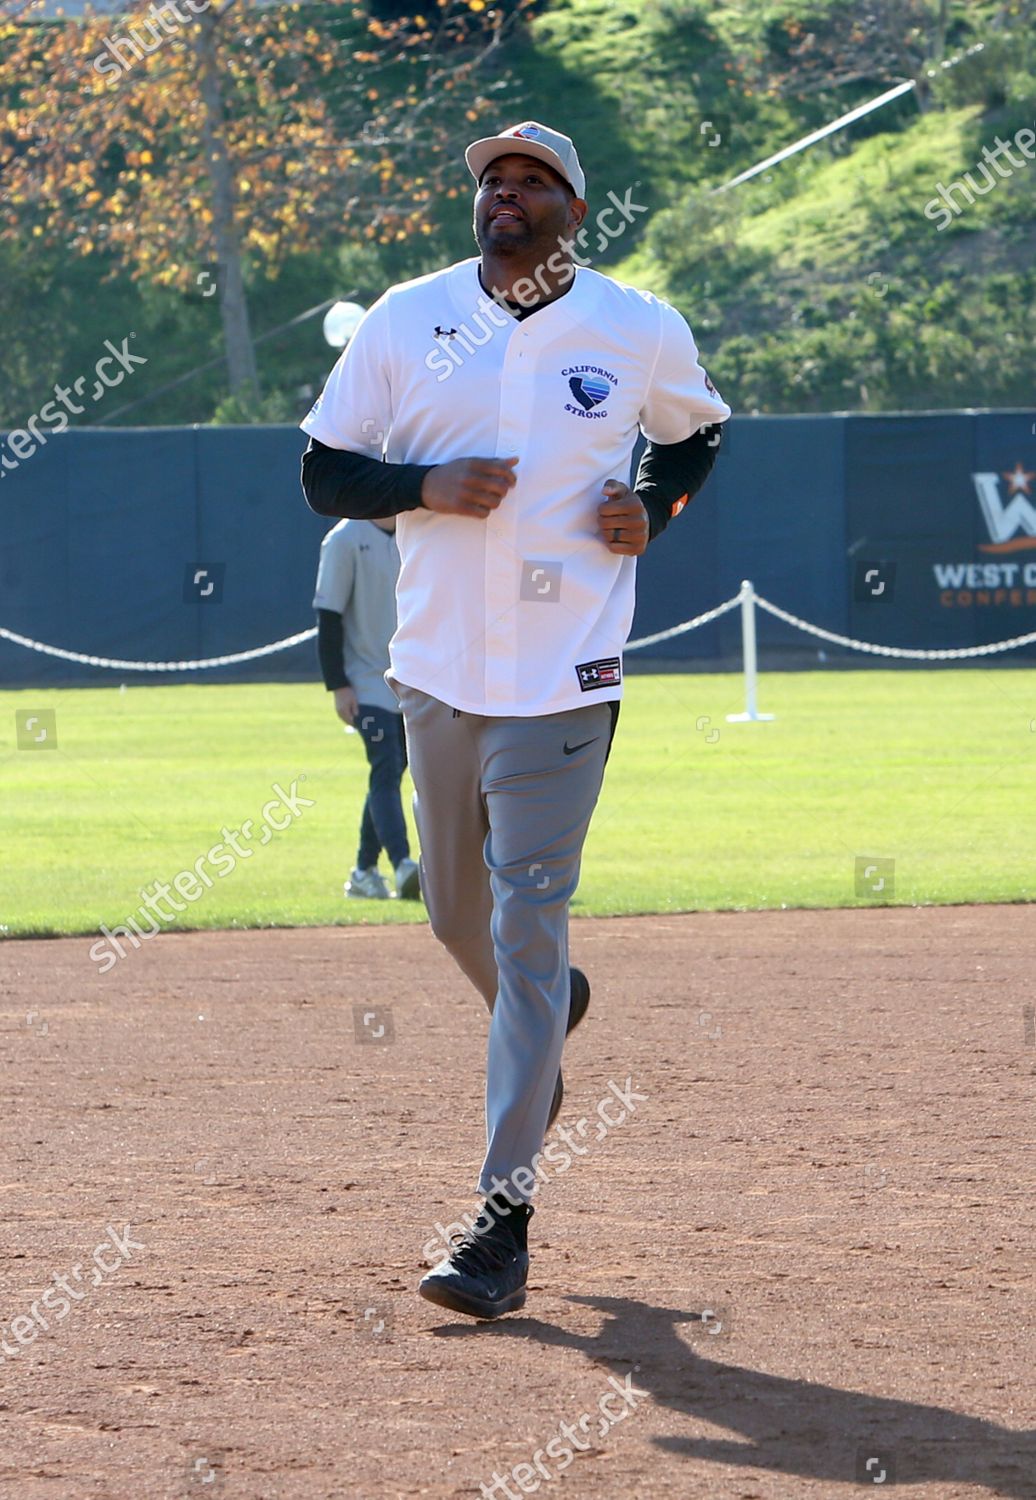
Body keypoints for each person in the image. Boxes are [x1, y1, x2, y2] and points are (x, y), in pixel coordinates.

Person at [301, 120, 730, 1319]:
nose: (507, 191)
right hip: (434, 672)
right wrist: (423, 487)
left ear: (571, 211)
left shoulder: (636, 325)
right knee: (452, 914)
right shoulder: (407, 318)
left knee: (527, 929)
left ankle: (499, 1228)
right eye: (492, 176)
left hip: (567, 675)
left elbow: (696, 433)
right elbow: (324, 471)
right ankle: (545, 1017)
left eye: (533, 179)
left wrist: (656, 505)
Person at [313, 514, 421, 902]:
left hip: (410, 685)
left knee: (390, 775)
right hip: (364, 685)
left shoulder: (416, 532)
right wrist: (338, 685)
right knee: (386, 765)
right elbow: (328, 617)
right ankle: (404, 862)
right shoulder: (344, 539)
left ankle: (363, 870)